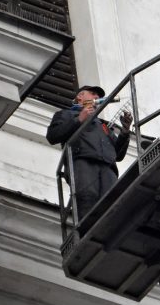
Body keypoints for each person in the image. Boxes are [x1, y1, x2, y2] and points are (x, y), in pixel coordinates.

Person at [46, 85, 133, 221]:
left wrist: (125, 132)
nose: (97, 97)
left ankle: (109, 232)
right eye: (92, 93)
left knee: (113, 201)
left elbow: (118, 154)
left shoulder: (102, 125)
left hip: (107, 167)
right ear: (80, 96)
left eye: (98, 96)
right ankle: (86, 230)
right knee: (87, 196)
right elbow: (53, 136)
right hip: (83, 161)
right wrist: (79, 119)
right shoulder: (66, 114)